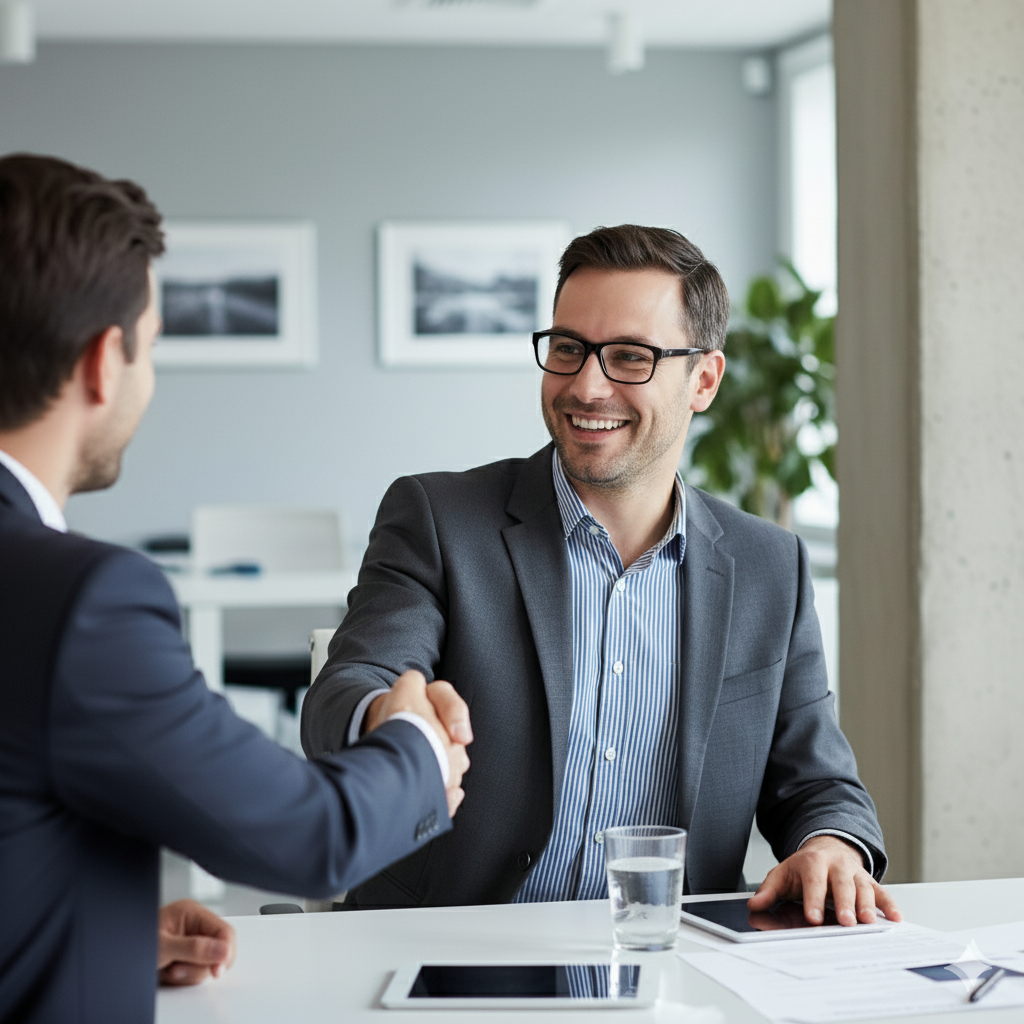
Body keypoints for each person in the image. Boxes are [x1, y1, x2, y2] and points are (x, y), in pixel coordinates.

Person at [302, 223, 901, 928]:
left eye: (629, 357)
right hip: (451, 953)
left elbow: (818, 780)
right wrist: (383, 714)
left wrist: (831, 845)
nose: (587, 386)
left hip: (673, 960)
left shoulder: (769, 566)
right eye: (567, 349)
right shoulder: (439, 520)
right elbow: (349, 685)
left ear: (703, 380)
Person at [0, 152, 471, 1024]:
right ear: (105, 363)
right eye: (152, 347)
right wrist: (418, 750)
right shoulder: (81, 599)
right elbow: (307, 835)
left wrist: (99, 927)